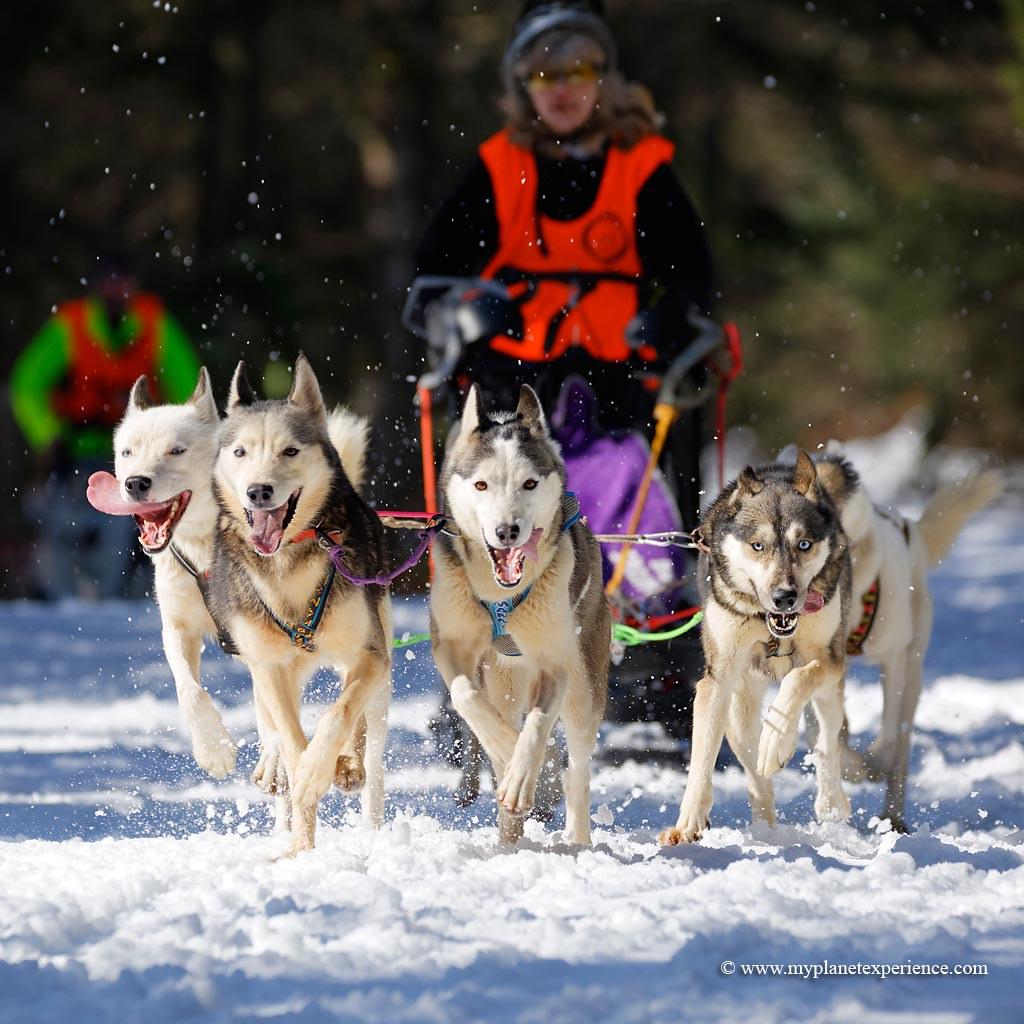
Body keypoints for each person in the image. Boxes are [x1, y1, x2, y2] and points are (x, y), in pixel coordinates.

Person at [413, 0, 714, 523]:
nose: (562, 88)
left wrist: (672, 317)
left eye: (577, 71)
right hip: (514, 381)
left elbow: (692, 271)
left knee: (652, 438)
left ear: (603, 78)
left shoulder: (641, 167)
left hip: (624, 377)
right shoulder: (499, 166)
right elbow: (432, 275)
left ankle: (654, 573)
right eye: (544, 74)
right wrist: (460, 312)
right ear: (521, 83)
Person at [10, 256, 201, 598]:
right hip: (74, 449)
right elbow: (26, 385)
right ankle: (61, 596)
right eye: (108, 280)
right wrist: (48, 436)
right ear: (94, 286)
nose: (115, 289)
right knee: (58, 521)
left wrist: (175, 439)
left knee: (132, 522)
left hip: (137, 452)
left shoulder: (155, 323)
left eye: (121, 280)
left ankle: (121, 591)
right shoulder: (71, 324)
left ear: (133, 285)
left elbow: (187, 387)